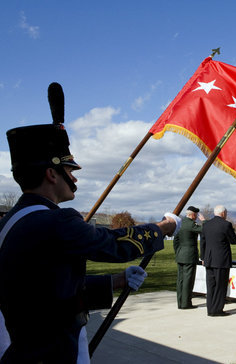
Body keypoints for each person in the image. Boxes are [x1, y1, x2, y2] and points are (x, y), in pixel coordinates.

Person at [0, 83, 180, 363]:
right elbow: (113, 244)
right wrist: (163, 227)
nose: (75, 178)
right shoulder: (55, 221)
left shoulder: (14, 221)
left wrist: (118, 281)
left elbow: (50, 290)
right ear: (51, 173)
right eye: (70, 170)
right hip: (53, 351)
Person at [200, 205, 236, 316]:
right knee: (220, 286)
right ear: (223, 213)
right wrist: (235, 236)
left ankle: (210, 309)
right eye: (226, 213)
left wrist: (203, 257)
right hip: (221, 260)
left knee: (210, 286)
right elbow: (233, 241)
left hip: (209, 259)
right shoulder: (226, 225)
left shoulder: (206, 225)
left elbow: (202, 243)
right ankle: (217, 310)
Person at [174, 205, 205, 309]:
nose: (196, 216)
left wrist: (178, 252)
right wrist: (204, 221)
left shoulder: (180, 224)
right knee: (188, 280)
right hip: (189, 256)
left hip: (180, 255)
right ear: (192, 215)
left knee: (180, 280)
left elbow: (176, 241)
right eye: (196, 215)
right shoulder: (191, 224)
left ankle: (180, 302)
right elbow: (203, 230)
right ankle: (186, 303)